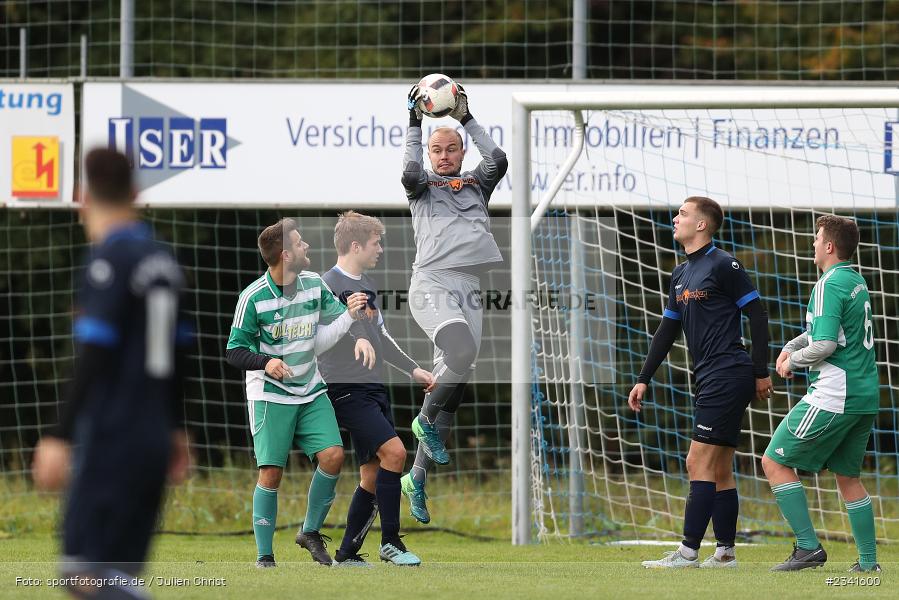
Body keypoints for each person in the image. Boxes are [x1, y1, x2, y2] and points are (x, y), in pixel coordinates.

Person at [32, 147, 192, 599]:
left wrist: (59, 435)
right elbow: (182, 357)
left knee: (82, 574)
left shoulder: (109, 260)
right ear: (136, 193)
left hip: (113, 434)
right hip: (152, 434)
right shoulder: (165, 263)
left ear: (82, 197)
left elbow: (93, 354)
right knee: (116, 576)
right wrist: (178, 430)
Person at [628, 196, 772, 569]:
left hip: (728, 372)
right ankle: (724, 553)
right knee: (719, 467)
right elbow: (666, 330)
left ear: (702, 225)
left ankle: (688, 551)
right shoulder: (680, 273)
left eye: (683, 214)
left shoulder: (724, 264)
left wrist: (760, 370)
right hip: (708, 376)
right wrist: (643, 378)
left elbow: (757, 314)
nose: (676, 218)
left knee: (697, 460)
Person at [225, 218, 368, 568]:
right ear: (286, 254)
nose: (308, 248)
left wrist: (356, 327)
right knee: (271, 473)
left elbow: (335, 323)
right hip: (270, 394)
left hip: (309, 388)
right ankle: (265, 557)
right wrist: (266, 361)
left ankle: (310, 531)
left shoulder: (314, 285)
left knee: (333, 456)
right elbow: (234, 351)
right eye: (301, 244)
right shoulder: (252, 298)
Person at [399, 81, 508, 524]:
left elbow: (498, 159)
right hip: (431, 284)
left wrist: (465, 117)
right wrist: (412, 123)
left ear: (462, 152)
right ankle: (422, 422)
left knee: (454, 392)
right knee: (460, 354)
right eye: (436, 149)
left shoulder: (477, 185)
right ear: (430, 154)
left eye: (451, 149)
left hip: (469, 290)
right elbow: (407, 173)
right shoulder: (422, 186)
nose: (443, 155)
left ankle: (417, 477)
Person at [762, 216, 880, 572]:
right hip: (864, 395)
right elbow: (824, 333)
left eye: (816, 239)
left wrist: (791, 362)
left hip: (834, 395)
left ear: (829, 246)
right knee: (848, 477)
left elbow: (826, 344)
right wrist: (790, 345)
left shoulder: (828, 285)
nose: (812, 245)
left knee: (774, 461)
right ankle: (869, 564)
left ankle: (808, 549)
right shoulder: (855, 280)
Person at [318, 211, 436, 566]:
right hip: (346, 390)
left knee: (371, 474)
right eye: (375, 243)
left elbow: (382, 336)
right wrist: (354, 336)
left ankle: (347, 554)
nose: (380, 249)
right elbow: (323, 335)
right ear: (356, 245)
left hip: (374, 388)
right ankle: (391, 543)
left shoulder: (367, 285)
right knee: (397, 454)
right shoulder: (327, 284)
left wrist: (413, 369)